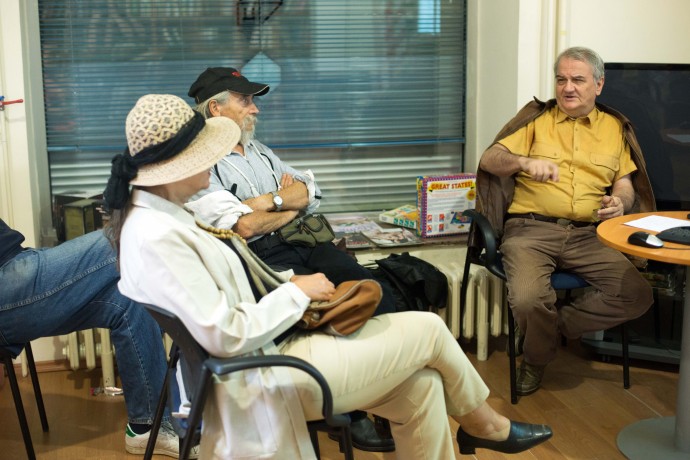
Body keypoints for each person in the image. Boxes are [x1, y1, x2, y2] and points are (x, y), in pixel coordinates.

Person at [103, 93, 553, 459]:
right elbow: (224, 333)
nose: (213, 163)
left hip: (263, 356)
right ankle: (486, 427)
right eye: (204, 156)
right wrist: (296, 293)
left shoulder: (163, 218)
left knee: (424, 388)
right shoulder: (158, 237)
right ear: (176, 166)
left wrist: (290, 286)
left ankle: (482, 427)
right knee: (431, 330)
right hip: (262, 375)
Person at [185, 67, 397, 451]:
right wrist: (288, 204)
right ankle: (347, 413)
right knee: (327, 308)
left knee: (374, 290)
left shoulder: (259, 150)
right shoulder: (201, 164)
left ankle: (382, 397)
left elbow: (312, 191)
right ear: (216, 108)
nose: (255, 109)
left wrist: (272, 202)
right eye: (245, 100)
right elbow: (244, 227)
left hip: (304, 242)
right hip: (259, 256)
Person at [475, 46, 656, 396]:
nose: (567, 88)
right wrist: (523, 162)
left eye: (577, 80)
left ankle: (548, 330)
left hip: (589, 234)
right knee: (528, 300)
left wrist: (620, 202)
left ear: (598, 85)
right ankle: (536, 360)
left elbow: (624, 183)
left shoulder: (614, 128)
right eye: (561, 79)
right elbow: (490, 159)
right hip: (530, 231)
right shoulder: (536, 120)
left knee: (637, 294)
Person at [0, 222, 197, 458]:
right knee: (122, 239)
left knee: (129, 297)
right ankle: (211, 361)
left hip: (18, 262)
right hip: (7, 281)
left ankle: (146, 427)